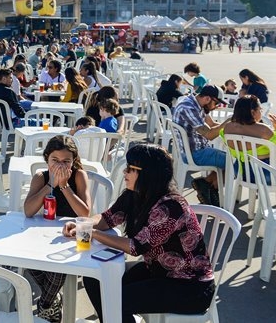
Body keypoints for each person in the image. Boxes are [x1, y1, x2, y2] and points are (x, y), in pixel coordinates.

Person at [66, 145, 215, 323]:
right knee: (95, 280)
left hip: (190, 286)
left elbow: (135, 247)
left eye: (130, 168)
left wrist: (94, 234)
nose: (125, 172)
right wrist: (83, 224)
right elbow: (107, 218)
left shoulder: (170, 206)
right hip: (158, 271)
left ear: (147, 173)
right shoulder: (134, 194)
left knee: (115, 300)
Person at [24, 136, 90, 321]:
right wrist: (50, 185)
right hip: (42, 235)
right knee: (26, 257)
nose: (60, 166)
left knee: (58, 266)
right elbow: (28, 211)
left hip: (69, 237)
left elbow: (85, 213)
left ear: (73, 161)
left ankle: (46, 304)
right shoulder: (41, 177)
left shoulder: (79, 176)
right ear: (47, 159)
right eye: (55, 160)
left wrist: (64, 186)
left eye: (66, 161)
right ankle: (51, 301)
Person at [172, 84, 227, 206]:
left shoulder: (196, 103)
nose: (217, 107)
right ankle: (211, 189)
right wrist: (226, 123)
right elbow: (209, 135)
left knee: (229, 161)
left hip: (196, 150)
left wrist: (231, 126)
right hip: (195, 154)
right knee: (234, 163)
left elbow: (211, 124)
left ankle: (206, 185)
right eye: (217, 103)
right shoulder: (189, 108)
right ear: (207, 99)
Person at [220, 94, 276, 164]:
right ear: (253, 112)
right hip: (262, 169)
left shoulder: (228, 127)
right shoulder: (263, 130)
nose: (261, 113)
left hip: (238, 167)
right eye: (260, 110)